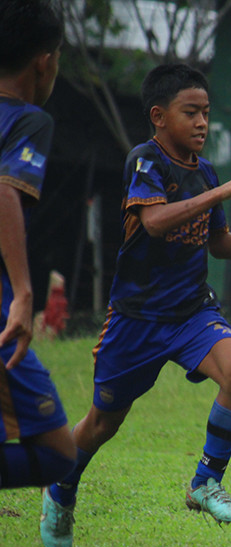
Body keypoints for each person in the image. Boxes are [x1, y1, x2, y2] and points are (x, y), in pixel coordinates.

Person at [38, 63, 231, 547]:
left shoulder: (204, 172)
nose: (203, 122)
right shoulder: (146, 161)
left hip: (190, 313)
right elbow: (157, 222)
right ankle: (62, 486)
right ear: (159, 116)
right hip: (137, 318)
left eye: (206, 112)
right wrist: (220, 192)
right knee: (102, 423)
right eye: (191, 112)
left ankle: (205, 482)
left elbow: (219, 242)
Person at [0, 0, 75, 493]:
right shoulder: (29, 120)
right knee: (57, 454)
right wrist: (24, 293)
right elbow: (4, 188)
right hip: (1, 306)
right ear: (44, 60)